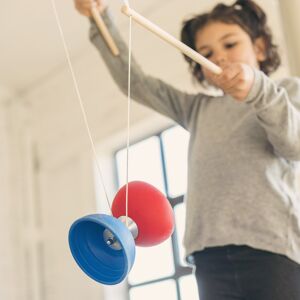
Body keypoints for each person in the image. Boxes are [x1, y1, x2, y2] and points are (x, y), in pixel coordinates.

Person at [74, 0, 300, 299]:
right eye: (206, 53)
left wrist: (258, 88)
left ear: (259, 48)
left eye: (230, 44)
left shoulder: (284, 92)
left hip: (273, 250)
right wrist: (99, 17)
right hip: (208, 256)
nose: (218, 56)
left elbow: (293, 144)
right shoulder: (197, 108)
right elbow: (137, 84)